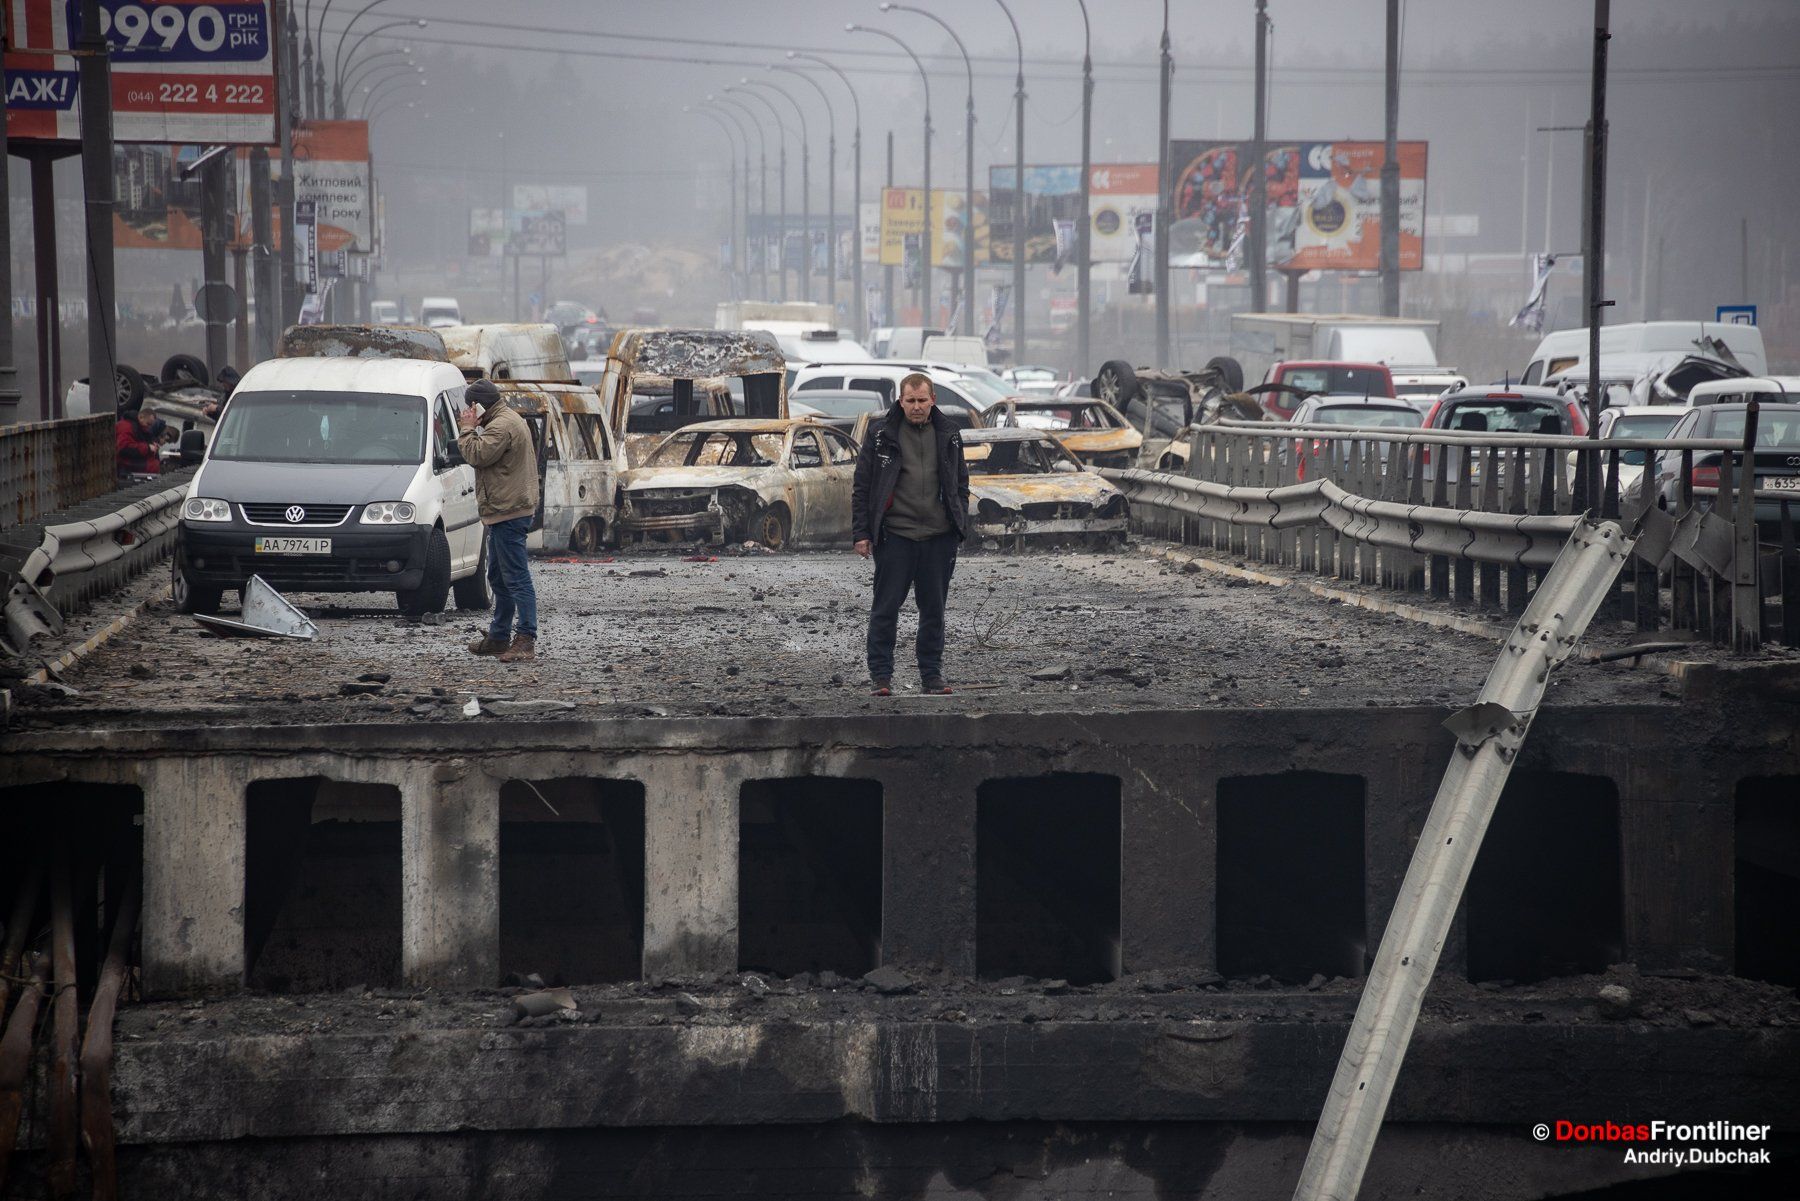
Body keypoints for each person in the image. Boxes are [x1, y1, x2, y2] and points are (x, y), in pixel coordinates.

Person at [851, 372, 970, 696]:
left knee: (933, 611)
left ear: (933, 400)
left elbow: (960, 483)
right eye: (910, 400)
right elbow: (862, 487)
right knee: (885, 608)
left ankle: (931, 675)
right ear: (900, 401)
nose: (916, 406)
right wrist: (862, 533)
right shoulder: (881, 435)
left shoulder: (949, 434)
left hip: (939, 538)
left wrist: (959, 524)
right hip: (895, 537)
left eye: (922, 400)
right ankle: (881, 677)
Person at [456, 378, 540, 662]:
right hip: (505, 510)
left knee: (516, 578)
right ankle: (499, 637)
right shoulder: (506, 419)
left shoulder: (501, 426)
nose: (468, 412)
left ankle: (525, 639)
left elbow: (476, 454)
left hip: (509, 511)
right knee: (499, 578)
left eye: (471, 407)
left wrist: (467, 428)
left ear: (479, 405)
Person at [115, 404, 163, 476]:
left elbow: (145, 438)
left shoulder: (139, 426)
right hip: (123, 462)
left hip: (130, 459)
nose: (148, 427)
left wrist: (152, 444)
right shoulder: (126, 427)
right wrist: (148, 448)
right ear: (141, 417)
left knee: (155, 464)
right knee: (153, 466)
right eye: (148, 424)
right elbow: (124, 449)